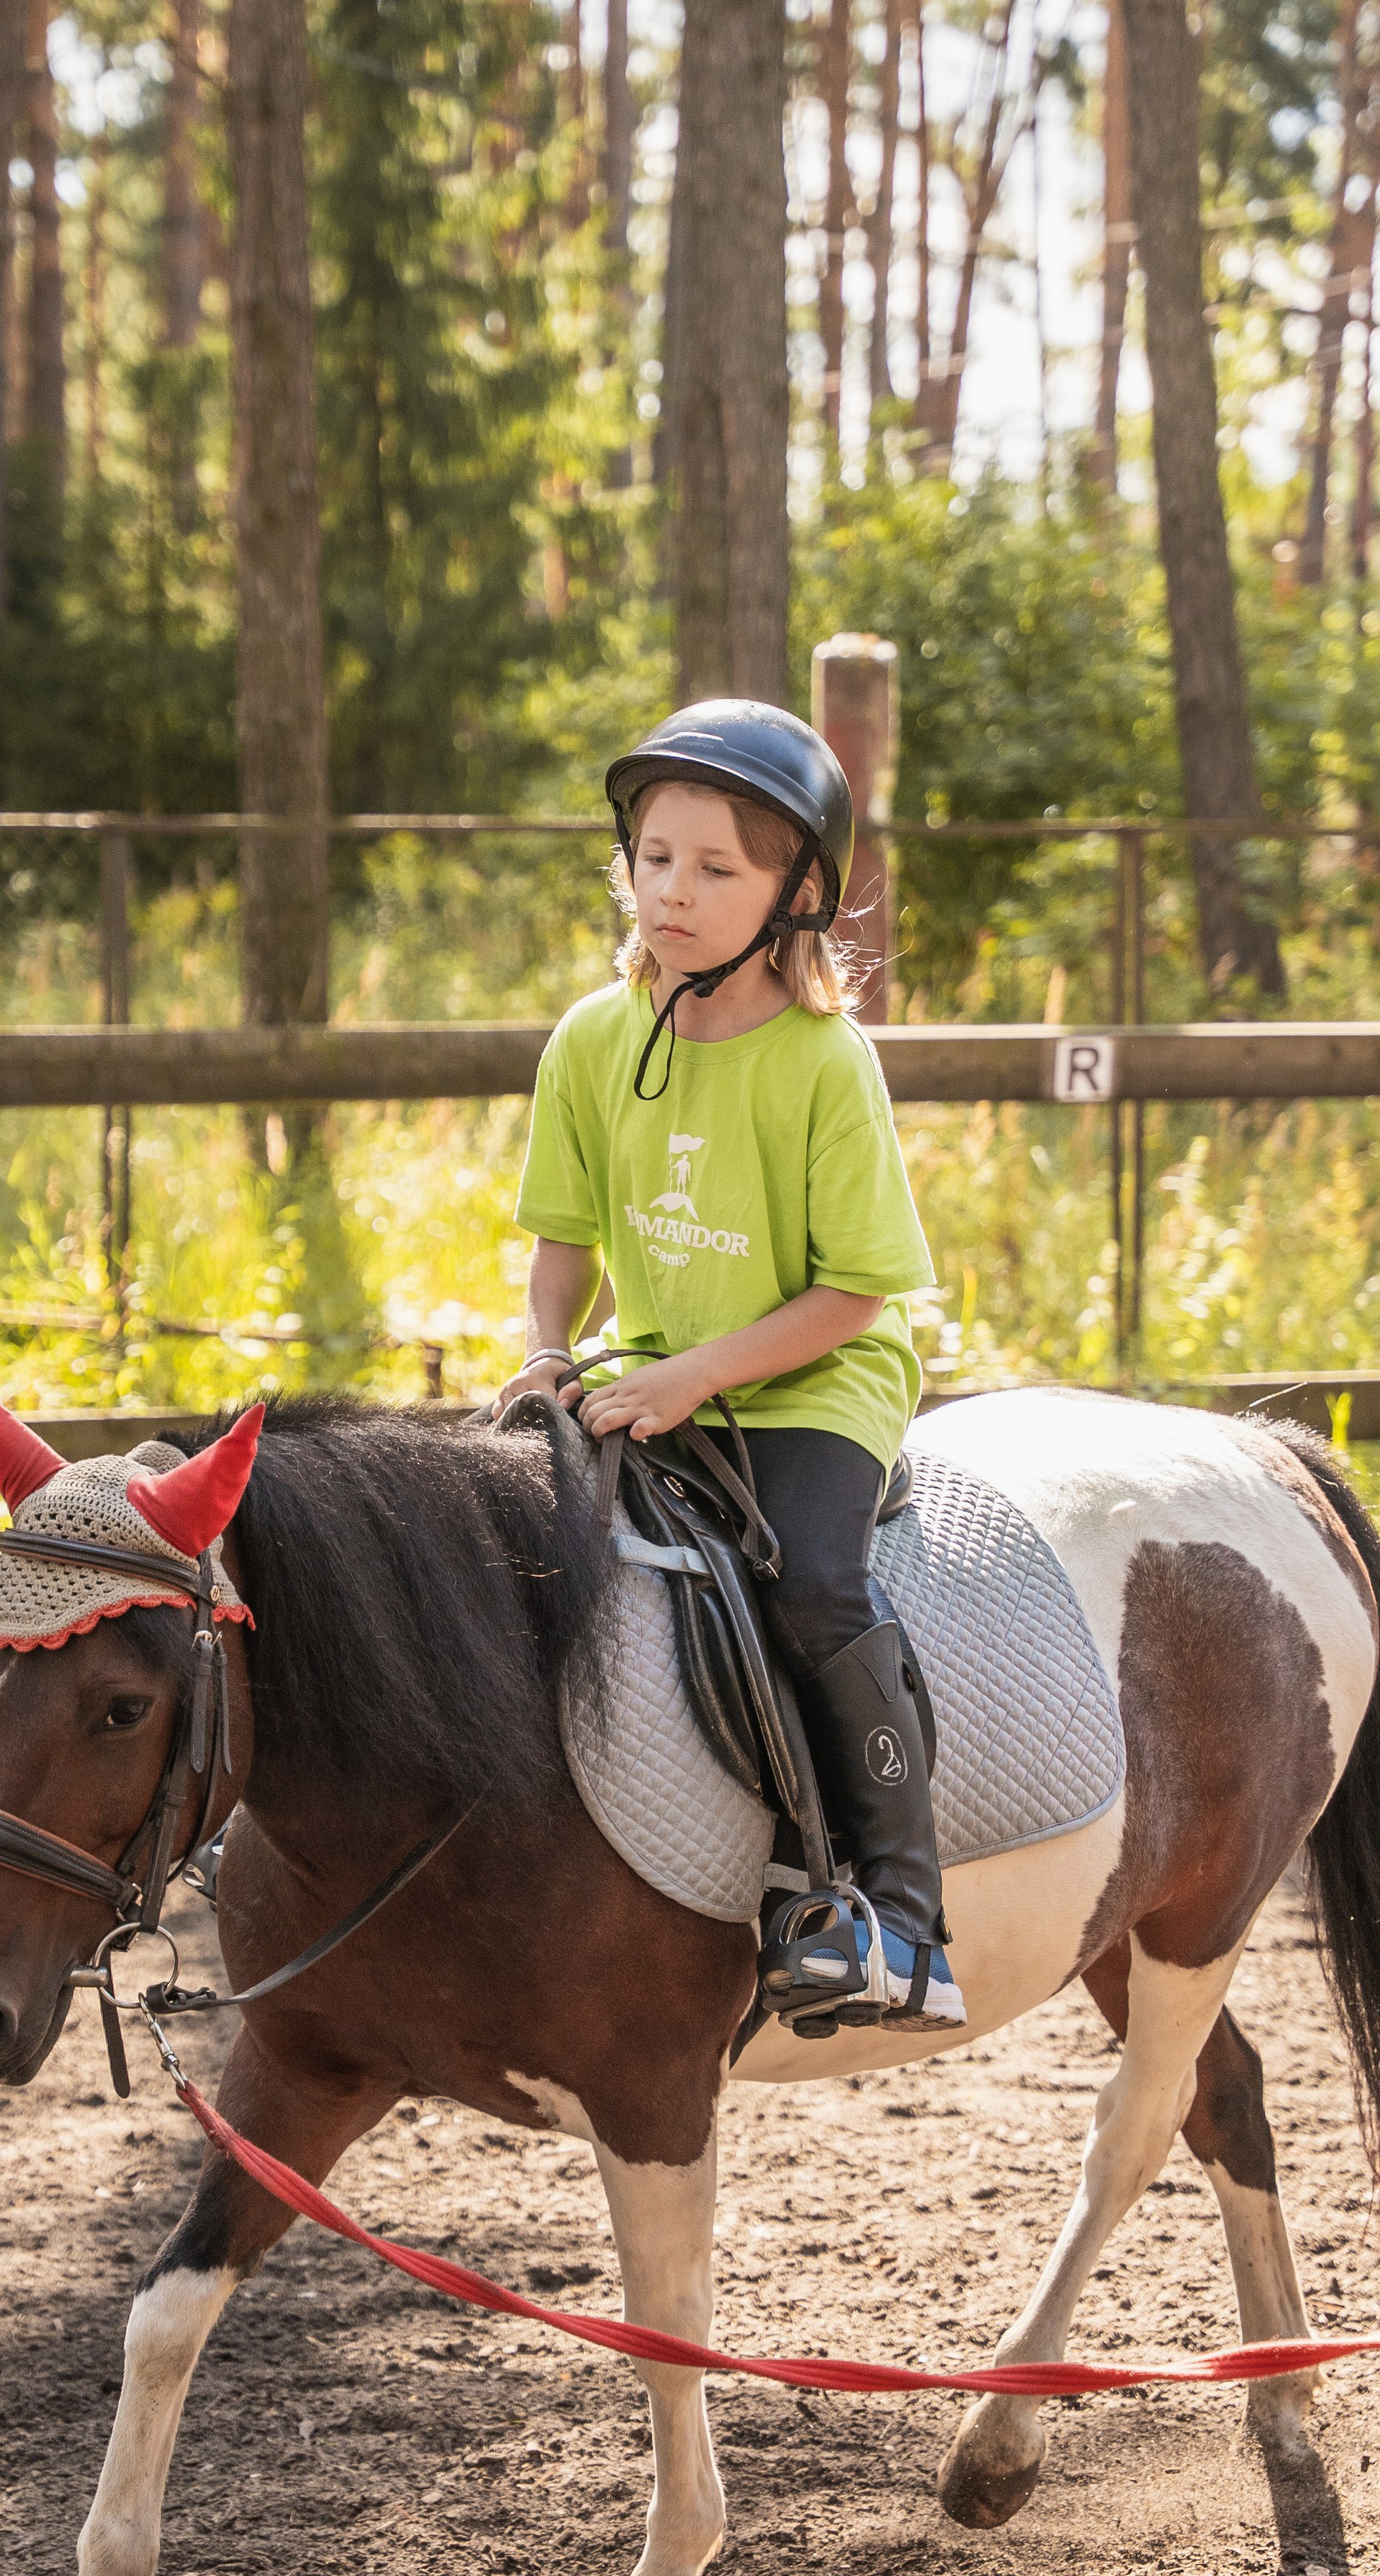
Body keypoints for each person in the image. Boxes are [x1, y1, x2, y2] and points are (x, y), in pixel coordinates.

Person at [496, 700, 963, 2029]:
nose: (674, 894)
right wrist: (546, 1352)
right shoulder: (592, 1038)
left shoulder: (826, 1063)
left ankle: (904, 1918)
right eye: (655, 858)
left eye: (717, 869)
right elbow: (564, 1242)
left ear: (796, 894)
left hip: (814, 1380)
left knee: (812, 1584)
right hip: (644, 1366)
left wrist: (695, 1377)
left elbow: (857, 1293)